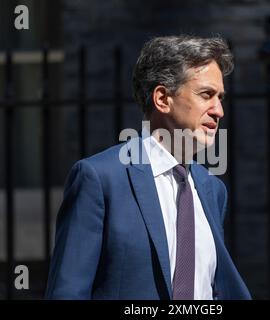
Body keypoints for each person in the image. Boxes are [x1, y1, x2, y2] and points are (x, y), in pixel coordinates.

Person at [45, 35, 251, 300]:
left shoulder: (213, 189)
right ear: (163, 99)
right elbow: (68, 292)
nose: (219, 110)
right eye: (206, 95)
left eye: (220, 97)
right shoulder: (100, 179)